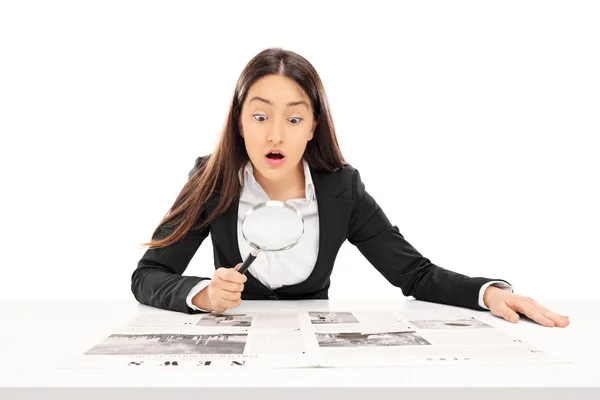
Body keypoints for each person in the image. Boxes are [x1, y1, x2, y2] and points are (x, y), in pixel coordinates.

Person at [131, 47, 569, 328]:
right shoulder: (211, 182)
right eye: (261, 116)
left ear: (313, 126)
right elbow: (148, 276)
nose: (276, 135)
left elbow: (413, 274)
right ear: (240, 123)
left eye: (295, 118)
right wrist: (202, 294)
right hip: (233, 362)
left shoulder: (342, 189)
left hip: (314, 361)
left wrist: (488, 292)